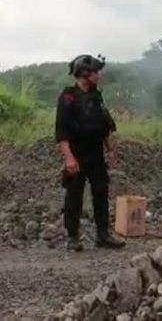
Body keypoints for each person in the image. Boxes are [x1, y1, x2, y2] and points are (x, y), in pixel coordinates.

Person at [55, 54, 126, 252]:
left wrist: (109, 150)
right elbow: (61, 131)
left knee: (101, 192)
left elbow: (103, 125)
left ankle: (103, 235)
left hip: (96, 152)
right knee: (74, 195)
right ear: (85, 73)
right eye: (96, 72)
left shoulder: (96, 95)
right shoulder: (68, 96)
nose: (99, 76)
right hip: (77, 153)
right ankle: (73, 236)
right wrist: (68, 157)